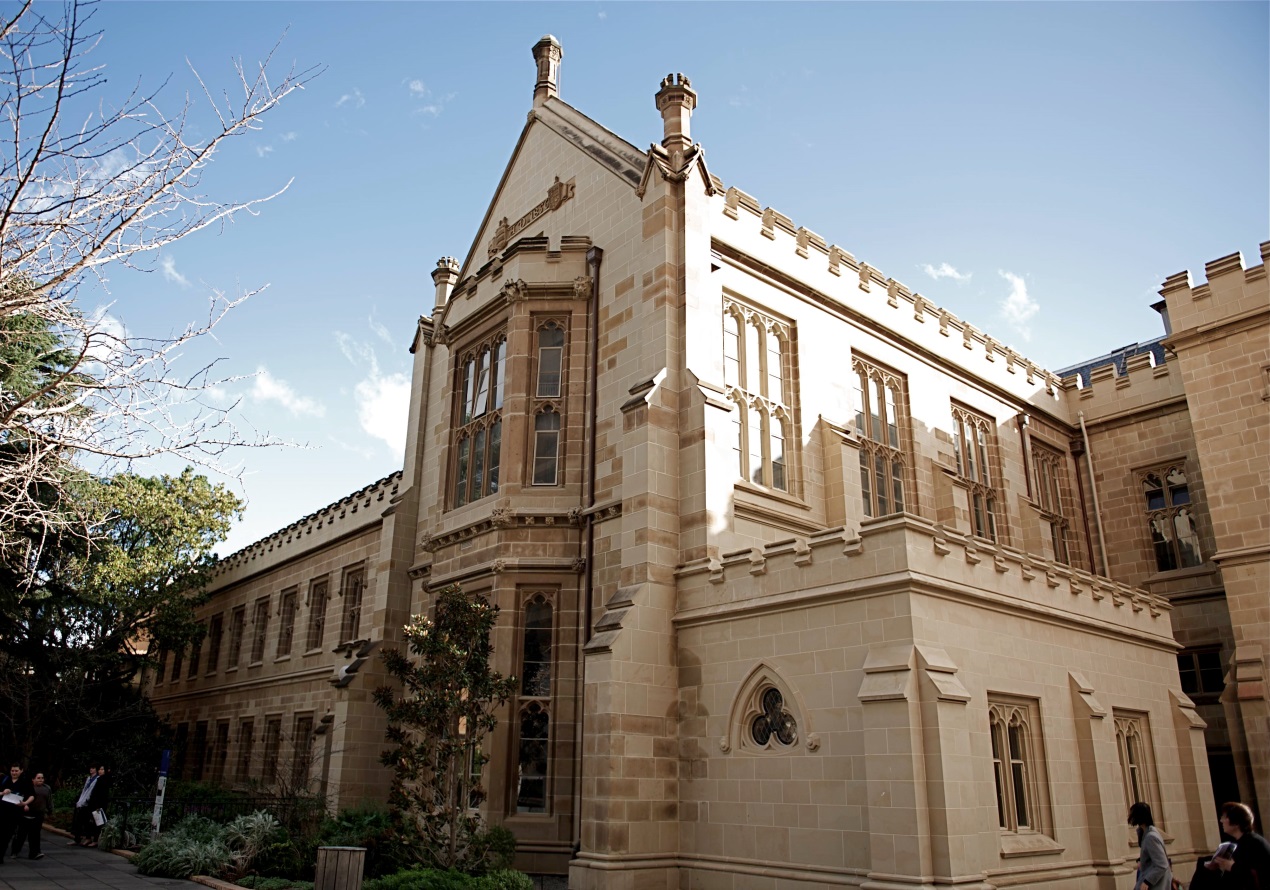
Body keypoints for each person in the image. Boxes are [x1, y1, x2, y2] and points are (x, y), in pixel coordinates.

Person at [1206, 802, 1270, 890]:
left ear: (1236, 822)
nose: (1221, 820)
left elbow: (1260, 875)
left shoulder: (1253, 843)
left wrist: (1232, 867)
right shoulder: (1243, 841)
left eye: (1224, 817)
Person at [1130, 802, 1173, 890]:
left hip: (1156, 886)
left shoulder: (1151, 837)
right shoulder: (1146, 833)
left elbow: (1162, 864)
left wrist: (1147, 881)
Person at [10, 771, 50, 860]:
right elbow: (21, 797)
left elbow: (49, 800)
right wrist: (25, 805)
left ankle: (35, 853)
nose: (41, 780)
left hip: (38, 814)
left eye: (42, 778)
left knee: (35, 835)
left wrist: (49, 810)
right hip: (26, 814)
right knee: (21, 834)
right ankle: (15, 851)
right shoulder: (28, 787)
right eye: (38, 778)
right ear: (33, 779)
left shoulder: (47, 788)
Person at [0, 764, 34, 865]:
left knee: (7, 835)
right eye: (12, 771)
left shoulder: (24, 782)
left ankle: (0, 856)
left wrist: (25, 803)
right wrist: (3, 792)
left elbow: (31, 795)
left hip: (14, 812)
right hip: (2, 810)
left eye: (16, 771)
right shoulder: (5, 780)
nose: (14, 773)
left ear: (21, 771)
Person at [69, 765, 97, 846]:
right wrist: (80, 801)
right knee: (79, 821)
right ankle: (77, 838)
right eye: (91, 767)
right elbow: (84, 790)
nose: (91, 769)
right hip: (83, 802)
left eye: (93, 768)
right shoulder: (89, 778)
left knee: (87, 822)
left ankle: (88, 838)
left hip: (89, 803)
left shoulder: (97, 779)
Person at [85, 763, 111, 847]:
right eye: (99, 769)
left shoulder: (104, 780)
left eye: (102, 769)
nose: (100, 771)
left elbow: (102, 795)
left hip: (99, 805)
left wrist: (98, 805)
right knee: (91, 822)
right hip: (94, 804)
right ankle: (89, 838)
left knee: (98, 823)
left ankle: (95, 840)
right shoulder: (100, 779)